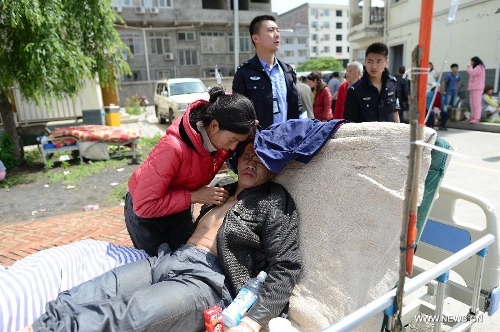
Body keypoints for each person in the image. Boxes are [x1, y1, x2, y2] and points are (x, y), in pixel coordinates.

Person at [25, 141, 301, 332]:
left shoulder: (275, 201)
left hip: (207, 281)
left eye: (260, 159)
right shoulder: (221, 190)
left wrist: (252, 321)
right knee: (95, 290)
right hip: (169, 259)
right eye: (247, 155)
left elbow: (287, 266)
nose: (250, 163)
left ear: (274, 167)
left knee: (130, 313)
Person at [125, 86, 257, 257]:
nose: (233, 147)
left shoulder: (221, 138)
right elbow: (144, 206)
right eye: (233, 140)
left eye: (238, 142)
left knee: (181, 257)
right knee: (155, 266)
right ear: (214, 126)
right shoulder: (172, 148)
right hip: (147, 214)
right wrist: (195, 196)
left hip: (178, 207)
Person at [232, 15, 304, 129]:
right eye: (271, 30)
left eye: (277, 30)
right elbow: (239, 112)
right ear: (256, 38)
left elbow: (297, 107)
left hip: (288, 139)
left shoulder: (287, 71)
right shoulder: (244, 73)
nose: (277, 34)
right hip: (259, 141)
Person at [343, 42, 400, 123]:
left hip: (389, 134)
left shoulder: (392, 83)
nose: (374, 66)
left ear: (386, 62)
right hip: (365, 135)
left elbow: (395, 111)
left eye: (378, 61)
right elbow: (350, 121)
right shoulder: (355, 90)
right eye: (370, 62)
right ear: (365, 62)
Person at [466, 56, 486, 123]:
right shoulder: (476, 67)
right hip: (473, 87)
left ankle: (477, 118)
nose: (471, 63)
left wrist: (469, 67)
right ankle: (473, 116)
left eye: (472, 61)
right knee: (472, 103)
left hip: (477, 87)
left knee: (476, 103)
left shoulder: (480, 67)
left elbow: (472, 73)